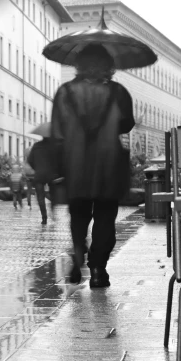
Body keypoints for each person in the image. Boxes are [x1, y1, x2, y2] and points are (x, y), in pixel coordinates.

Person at [51, 45, 135, 288]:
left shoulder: (65, 92)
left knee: (78, 215)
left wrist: (59, 168)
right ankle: (98, 269)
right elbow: (126, 124)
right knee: (105, 218)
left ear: (79, 64)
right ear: (108, 65)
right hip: (109, 164)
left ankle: (78, 256)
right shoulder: (119, 92)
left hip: (75, 163)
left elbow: (57, 131)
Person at [26, 137, 60, 225]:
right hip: (50, 175)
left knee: (40, 198)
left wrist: (37, 168)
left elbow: (30, 160)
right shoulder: (53, 146)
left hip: (39, 175)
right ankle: (52, 212)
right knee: (53, 194)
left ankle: (44, 218)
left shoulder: (36, 146)